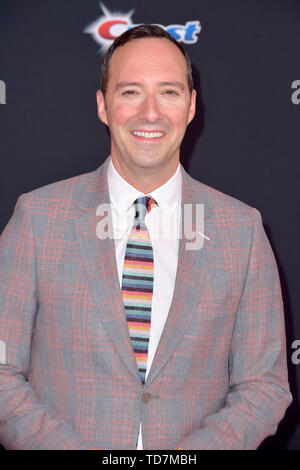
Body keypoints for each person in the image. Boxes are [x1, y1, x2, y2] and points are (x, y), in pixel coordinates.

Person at [0, 24, 292, 450]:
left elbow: (264, 386)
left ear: (192, 106)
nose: (150, 113)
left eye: (169, 92)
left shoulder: (242, 231)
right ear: (103, 105)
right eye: (131, 91)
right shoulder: (37, 218)